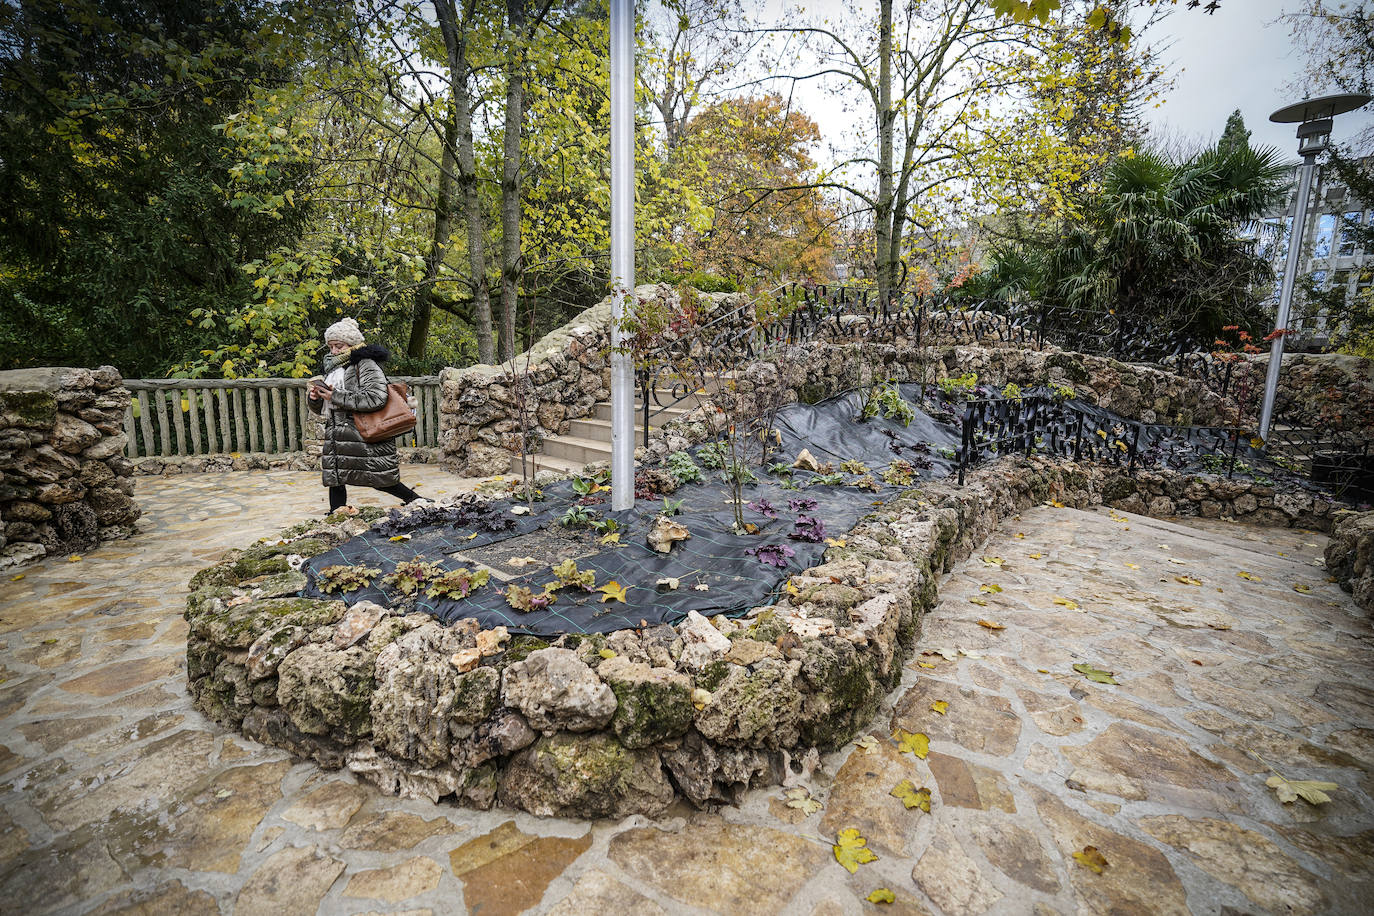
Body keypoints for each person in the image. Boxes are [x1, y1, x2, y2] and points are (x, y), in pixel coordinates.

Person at [307, 318, 421, 512]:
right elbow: (325, 407)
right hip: (337, 433)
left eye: (339, 346)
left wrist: (335, 395)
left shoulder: (366, 364)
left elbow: (375, 397)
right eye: (331, 346)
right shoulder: (333, 368)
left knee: (380, 477)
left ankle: (416, 500)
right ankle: (336, 514)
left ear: (352, 343)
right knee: (336, 477)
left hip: (363, 430)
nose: (334, 351)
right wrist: (316, 399)